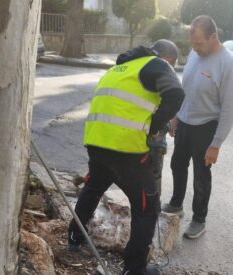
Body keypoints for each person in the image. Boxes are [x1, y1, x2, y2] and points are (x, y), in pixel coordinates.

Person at [68, 39, 184, 275]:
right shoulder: (158, 64)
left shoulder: (119, 68)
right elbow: (176, 94)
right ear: (168, 57)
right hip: (126, 150)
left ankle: (74, 238)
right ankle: (135, 269)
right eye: (173, 62)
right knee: (147, 208)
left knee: (93, 188)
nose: (171, 66)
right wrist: (155, 125)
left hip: (96, 142)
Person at [162, 15, 233, 239]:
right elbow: (186, 89)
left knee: (201, 176)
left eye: (199, 43)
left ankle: (199, 219)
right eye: (192, 43)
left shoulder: (228, 64)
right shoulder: (195, 56)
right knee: (177, 164)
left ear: (213, 37)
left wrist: (215, 144)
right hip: (185, 122)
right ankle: (176, 204)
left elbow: (228, 111)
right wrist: (176, 117)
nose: (194, 48)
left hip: (206, 126)